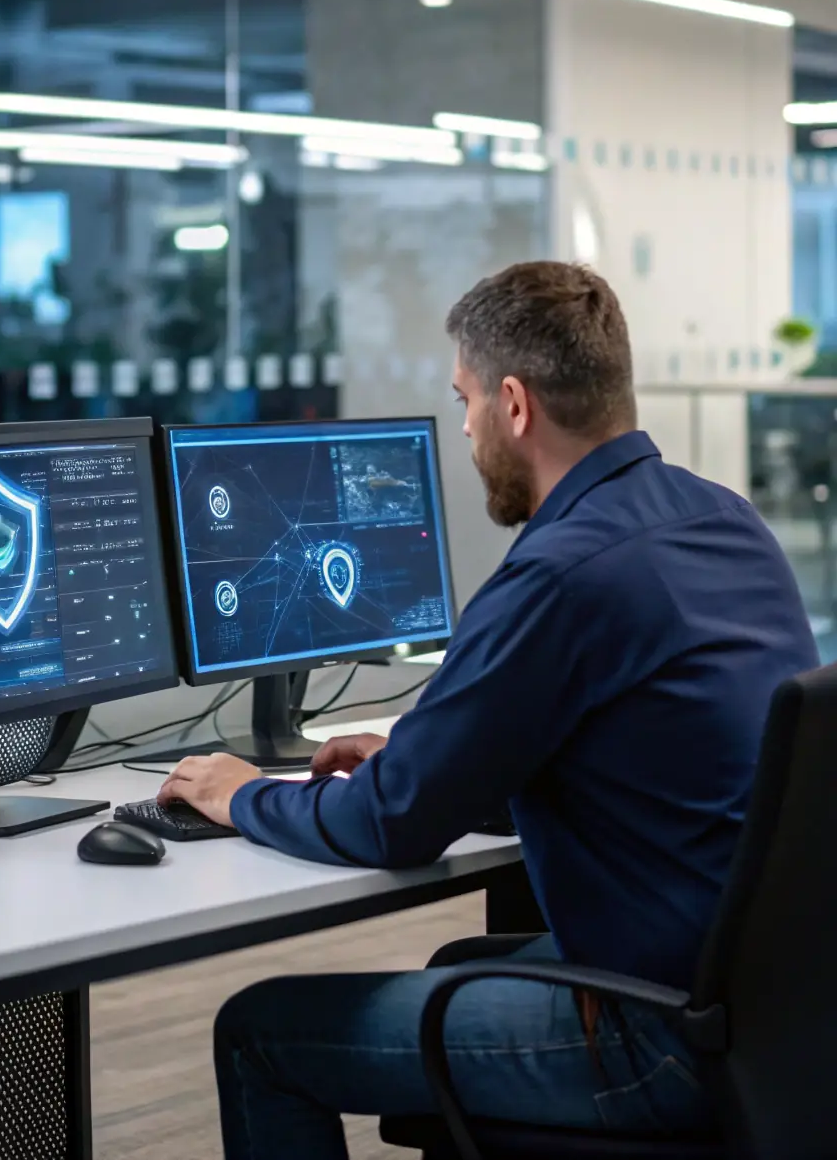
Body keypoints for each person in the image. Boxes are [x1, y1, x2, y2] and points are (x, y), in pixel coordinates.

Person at [158, 262, 818, 1158]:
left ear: (514, 404)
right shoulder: (723, 519)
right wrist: (422, 767)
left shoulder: (559, 575)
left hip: (664, 1037)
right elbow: (645, 759)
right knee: (455, 969)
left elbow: (389, 826)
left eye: (465, 399)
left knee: (260, 1032)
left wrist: (238, 793)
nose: (463, 428)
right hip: (785, 1014)